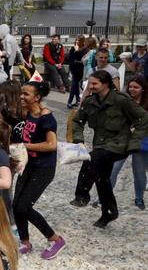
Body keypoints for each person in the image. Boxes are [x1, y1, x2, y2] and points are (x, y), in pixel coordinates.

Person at [70, 70, 148, 227]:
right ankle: (109, 213)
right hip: (101, 144)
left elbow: (143, 118)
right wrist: (79, 139)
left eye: (94, 84)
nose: (90, 86)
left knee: (91, 160)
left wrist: (135, 141)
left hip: (119, 144)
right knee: (102, 178)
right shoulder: (90, 101)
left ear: (105, 84)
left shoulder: (121, 100)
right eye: (89, 83)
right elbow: (78, 121)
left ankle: (82, 195)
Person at [15, 80, 65, 258]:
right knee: (16, 205)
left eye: (26, 94)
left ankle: (55, 239)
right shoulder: (27, 113)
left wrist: (24, 147)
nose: (21, 96)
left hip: (43, 169)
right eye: (21, 92)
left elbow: (51, 145)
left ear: (37, 97)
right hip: (28, 165)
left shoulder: (47, 118)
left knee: (24, 206)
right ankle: (25, 242)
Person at [108, 77, 148, 210]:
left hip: (141, 142)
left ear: (143, 88)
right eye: (130, 86)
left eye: (136, 87)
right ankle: (104, 197)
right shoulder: (123, 101)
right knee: (113, 169)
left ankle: (139, 198)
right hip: (122, 141)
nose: (132, 89)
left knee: (139, 172)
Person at [66, 35, 87, 107]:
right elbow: (70, 59)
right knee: (75, 85)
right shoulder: (73, 48)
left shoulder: (84, 49)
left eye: (78, 40)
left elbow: (83, 59)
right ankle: (77, 100)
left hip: (81, 70)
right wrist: (75, 51)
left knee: (74, 85)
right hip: (74, 70)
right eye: (76, 40)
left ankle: (71, 101)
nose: (77, 42)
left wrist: (77, 51)